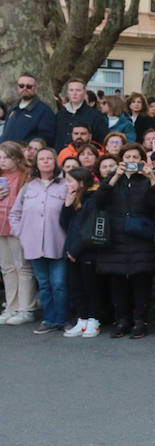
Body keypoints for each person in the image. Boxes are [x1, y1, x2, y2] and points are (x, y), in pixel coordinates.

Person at [95, 145, 155, 338]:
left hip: (141, 237)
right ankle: (122, 320)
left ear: (142, 160)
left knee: (141, 281)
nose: (131, 159)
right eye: (127, 156)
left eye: (135, 156)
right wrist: (115, 176)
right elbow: (99, 201)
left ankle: (140, 321)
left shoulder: (148, 178)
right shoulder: (113, 178)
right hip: (116, 237)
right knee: (117, 281)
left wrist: (152, 179)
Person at [9, 146, 67, 333]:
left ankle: (62, 318)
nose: (45, 161)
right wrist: (21, 233)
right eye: (41, 158)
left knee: (58, 283)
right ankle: (49, 319)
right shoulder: (28, 187)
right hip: (34, 245)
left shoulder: (65, 184)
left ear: (55, 161)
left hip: (58, 243)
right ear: (36, 163)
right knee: (43, 283)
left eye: (49, 158)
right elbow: (15, 214)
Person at [60, 167, 104, 337]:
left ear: (81, 182)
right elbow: (65, 224)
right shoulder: (74, 199)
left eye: (70, 180)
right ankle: (82, 319)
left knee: (90, 287)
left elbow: (89, 228)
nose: (67, 184)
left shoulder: (92, 200)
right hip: (71, 250)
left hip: (87, 251)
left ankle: (94, 320)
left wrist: (75, 250)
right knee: (77, 287)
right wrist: (67, 204)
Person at [0, 142, 38, 325]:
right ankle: (11, 306)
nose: (2, 161)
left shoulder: (26, 175)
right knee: (7, 268)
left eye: (6, 157)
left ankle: (26, 308)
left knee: (22, 267)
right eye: (0, 157)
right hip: (0, 225)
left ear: (16, 157)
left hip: (19, 226)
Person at [3, 73, 57, 146]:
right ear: (17, 88)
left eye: (29, 86)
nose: (24, 88)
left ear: (36, 89)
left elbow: (46, 139)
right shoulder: (12, 109)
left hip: (25, 155)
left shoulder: (44, 111)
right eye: (21, 86)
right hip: (5, 153)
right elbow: (5, 134)